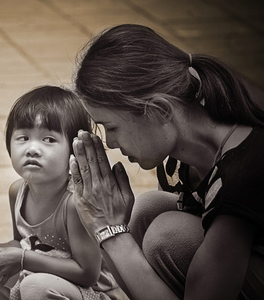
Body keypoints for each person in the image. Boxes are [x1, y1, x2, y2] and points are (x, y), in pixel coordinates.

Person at [69, 24, 264, 300]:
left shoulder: (242, 171)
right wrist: (108, 230)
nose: (110, 143)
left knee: (168, 235)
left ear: (159, 111)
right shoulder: (184, 156)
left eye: (111, 127)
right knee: (147, 211)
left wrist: (109, 231)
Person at [0, 86, 125, 300]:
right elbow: (24, 242)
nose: (32, 148)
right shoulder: (17, 191)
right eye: (23, 138)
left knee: (35, 287)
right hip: (43, 278)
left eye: (48, 140)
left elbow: (87, 273)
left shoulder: (75, 203)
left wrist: (22, 259)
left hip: (92, 293)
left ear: (73, 150)